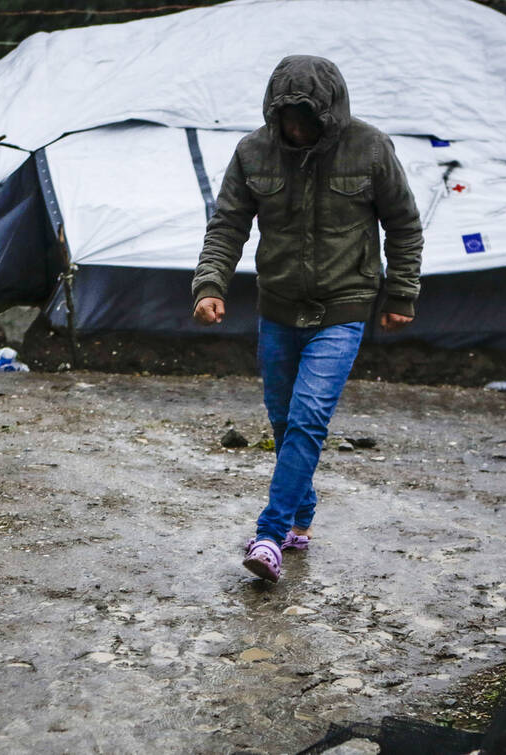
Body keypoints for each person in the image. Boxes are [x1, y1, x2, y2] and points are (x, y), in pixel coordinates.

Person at [191, 55, 423, 582]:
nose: (295, 127)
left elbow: (404, 227)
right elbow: (227, 223)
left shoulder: (370, 148)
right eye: (286, 117)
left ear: (328, 112)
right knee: (282, 419)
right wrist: (209, 284)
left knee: (308, 416)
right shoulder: (253, 151)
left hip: (343, 306)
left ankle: (269, 535)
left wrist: (401, 294)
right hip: (277, 306)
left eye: (305, 116)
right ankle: (301, 519)